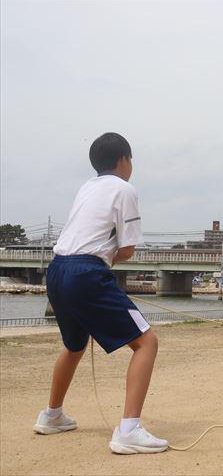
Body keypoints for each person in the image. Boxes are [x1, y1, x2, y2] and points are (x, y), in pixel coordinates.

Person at [34, 132, 168, 454]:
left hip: (57, 268)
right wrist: (103, 263)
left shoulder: (86, 188)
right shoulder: (125, 189)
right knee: (146, 342)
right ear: (124, 160)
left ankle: (51, 415)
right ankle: (129, 430)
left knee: (74, 345)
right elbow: (128, 249)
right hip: (87, 272)